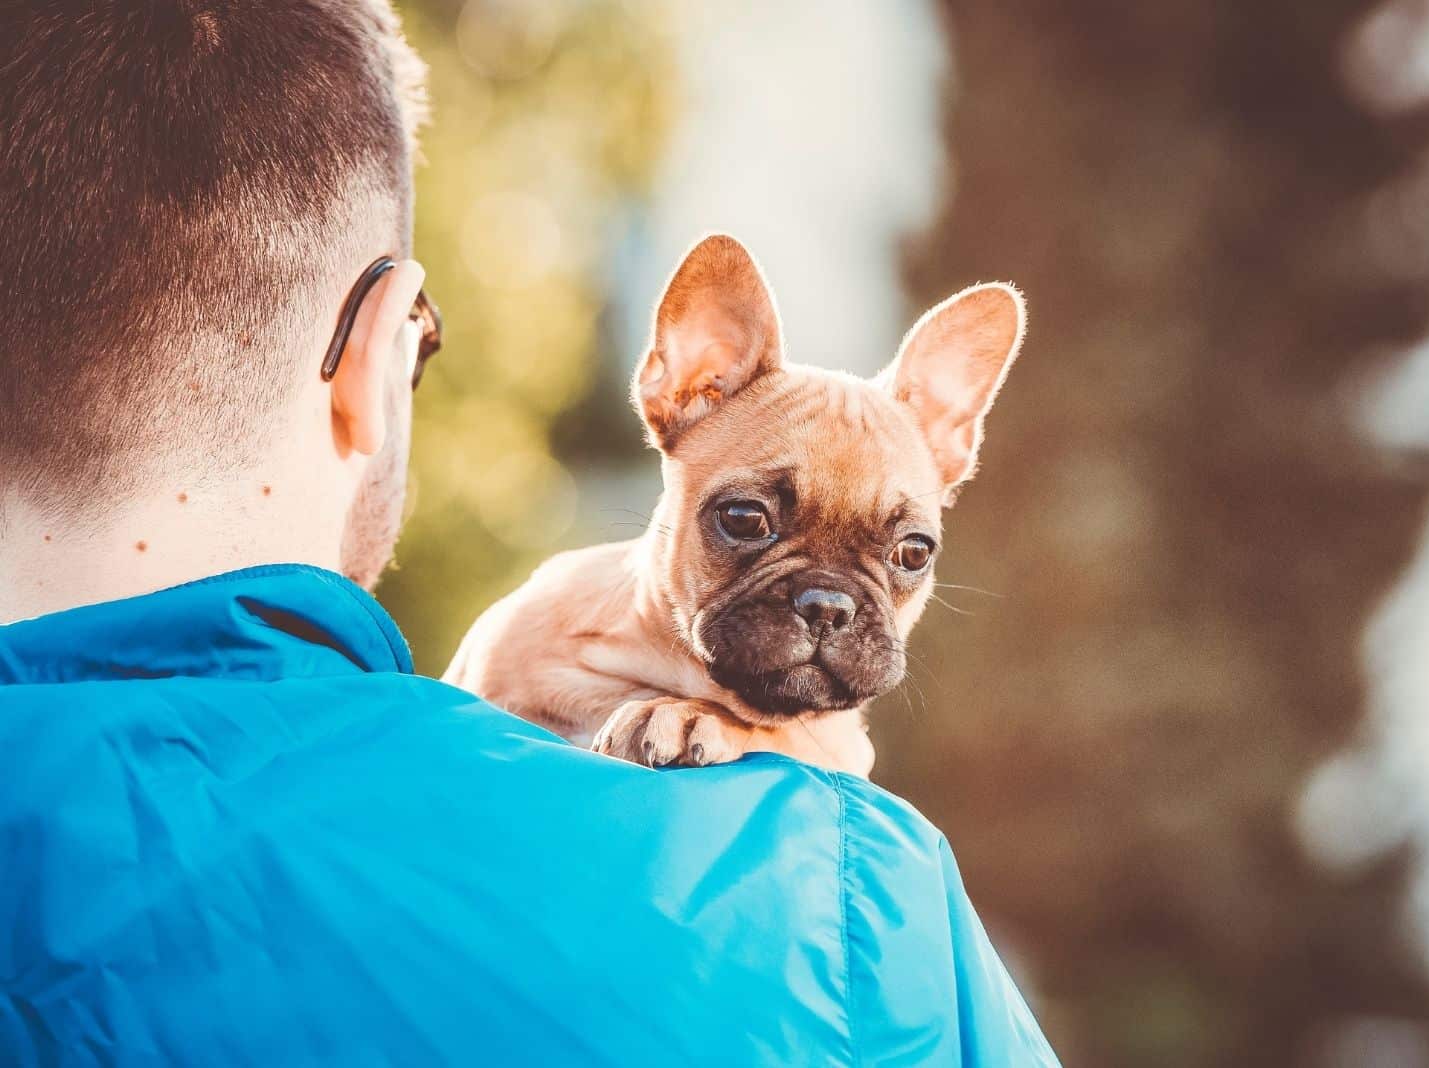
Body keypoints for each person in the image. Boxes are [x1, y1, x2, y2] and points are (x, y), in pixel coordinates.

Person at [0, 3, 1056, 1065]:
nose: (829, 599)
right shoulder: (852, 906)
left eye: (902, 554)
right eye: (747, 524)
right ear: (372, 359)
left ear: (951, 447)